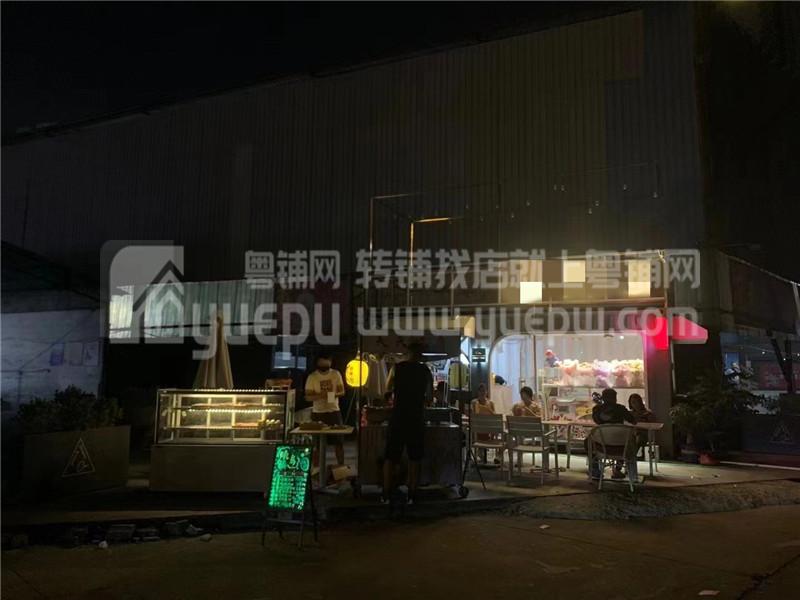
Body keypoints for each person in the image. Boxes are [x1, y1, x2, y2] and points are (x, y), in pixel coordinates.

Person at [383, 343, 432, 505]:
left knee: (390, 456)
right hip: (416, 418)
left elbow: (387, 392)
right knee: (414, 458)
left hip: (398, 417)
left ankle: (386, 492)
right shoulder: (425, 371)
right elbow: (429, 398)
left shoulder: (396, 368)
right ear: (421, 354)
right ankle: (412, 493)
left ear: (408, 353)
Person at [304, 351, 346, 468]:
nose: (324, 366)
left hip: (334, 411)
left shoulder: (336, 374)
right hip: (318, 412)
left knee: (339, 442)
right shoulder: (312, 377)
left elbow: (342, 391)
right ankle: (317, 470)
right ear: (317, 363)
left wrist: (332, 395)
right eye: (322, 363)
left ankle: (341, 468)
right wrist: (321, 395)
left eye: (327, 363)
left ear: (330, 362)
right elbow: (308, 397)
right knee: (317, 444)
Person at [589, 388, 637, 480]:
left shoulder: (597, 409)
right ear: (615, 398)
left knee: (589, 441)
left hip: (601, 447)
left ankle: (595, 470)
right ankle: (619, 469)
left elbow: (597, 421)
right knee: (628, 441)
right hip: (621, 447)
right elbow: (633, 421)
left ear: (603, 398)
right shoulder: (621, 408)